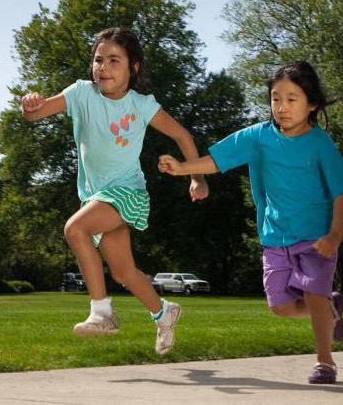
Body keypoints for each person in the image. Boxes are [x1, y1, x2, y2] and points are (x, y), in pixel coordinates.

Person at [158, 61, 343, 384]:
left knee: (315, 295)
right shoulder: (258, 138)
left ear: (313, 104)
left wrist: (335, 234)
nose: (282, 107)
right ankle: (329, 310)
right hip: (275, 237)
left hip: (316, 237)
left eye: (292, 99)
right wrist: (182, 169)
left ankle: (325, 362)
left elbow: (342, 191)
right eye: (276, 98)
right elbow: (217, 160)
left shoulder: (320, 144)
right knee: (279, 305)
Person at [21, 27, 208, 355]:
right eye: (98, 60)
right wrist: (30, 104)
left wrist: (196, 177)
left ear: (133, 67)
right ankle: (164, 312)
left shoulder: (141, 105)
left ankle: (101, 313)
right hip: (96, 196)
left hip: (127, 191)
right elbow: (35, 114)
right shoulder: (81, 93)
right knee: (123, 272)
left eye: (113, 60)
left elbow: (182, 136)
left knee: (75, 229)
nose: (103, 67)